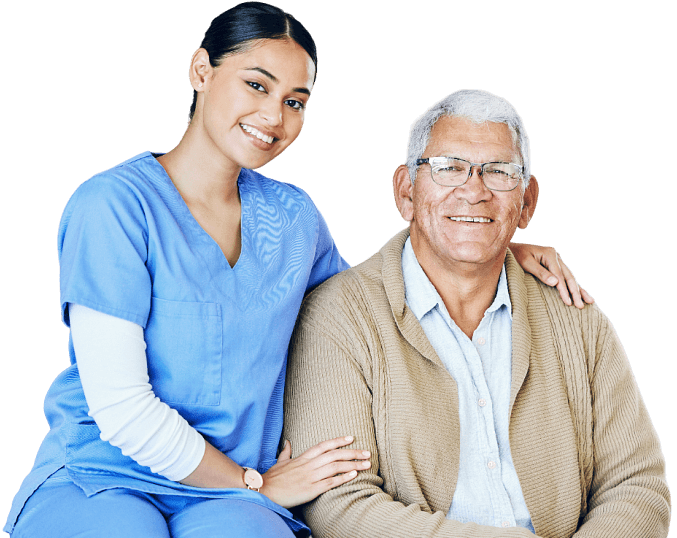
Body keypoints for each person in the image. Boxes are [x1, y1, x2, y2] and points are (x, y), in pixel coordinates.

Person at [5, 6, 592, 537]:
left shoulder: (292, 216)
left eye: (295, 101)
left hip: (239, 498)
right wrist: (252, 483)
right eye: (256, 86)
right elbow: (123, 409)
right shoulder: (111, 206)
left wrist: (483, 244)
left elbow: (374, 296)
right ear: (201, 71)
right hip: (110, 471)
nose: (274, 116)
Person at [282, 88, 670, 538]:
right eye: (449, 168)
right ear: (406, 191)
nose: (474, 191)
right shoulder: (339, 316)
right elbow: (340, 507)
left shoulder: (575, 315)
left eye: (500, 172)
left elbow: (638, 485)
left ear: (526, 202)